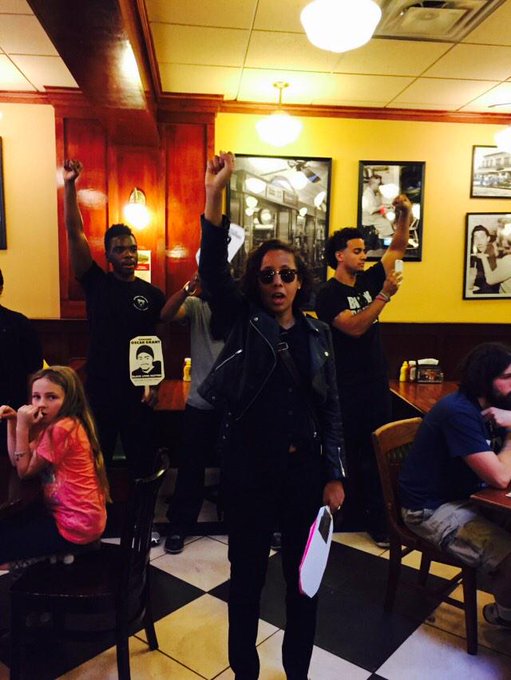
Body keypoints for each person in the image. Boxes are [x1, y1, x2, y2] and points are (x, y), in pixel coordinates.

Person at [198, 152, 346, 680]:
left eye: (287, 274)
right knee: (246, 583)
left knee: (304, 582)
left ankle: (297, 672)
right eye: (267, 276)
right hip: (249, 472)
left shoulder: (318, 334)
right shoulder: (242, 321)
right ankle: (245, 672)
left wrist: (335, 474)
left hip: (303, 471)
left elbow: (331, 409)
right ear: (256, 283)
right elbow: (212, 272)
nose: (278, 283)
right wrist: (215, 193)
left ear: (300, 281)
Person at [63, 159, 174, 479]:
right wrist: (69, 185)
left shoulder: (152, 294)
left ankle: (140, 512)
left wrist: (156, 384)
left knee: (142, 466)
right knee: (96, 465)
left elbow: (159, 341)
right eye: (120, 249)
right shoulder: (96, 283)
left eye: (132, 249)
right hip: (101, 391)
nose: (128, 254)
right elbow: (74, 233)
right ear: (108, 256)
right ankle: (100, 511)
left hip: (139, 393)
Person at [315, 194, 412, 547]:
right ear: (339, 256)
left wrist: (405, 214)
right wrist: (383, 296)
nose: (364, 256)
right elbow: (354, 328)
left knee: (375, 453)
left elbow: (398, 246)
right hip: (345, 386)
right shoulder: (328, 294)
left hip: (374, 383)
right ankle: (341, 515)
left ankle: (377, 520)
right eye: (356, 251)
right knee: (347, 452)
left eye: (364, 250)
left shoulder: (368, 281)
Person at [399, 342, 511, 629]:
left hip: (468, 494)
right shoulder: (458, 412)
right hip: (428, 509)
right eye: (507, 377)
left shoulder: (495, 404)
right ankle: (505, 615)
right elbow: (500, 478)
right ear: (485, 380)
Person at [0, 365, 109, 564]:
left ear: (70, 399)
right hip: (74, 517)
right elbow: (17, 460)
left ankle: (40, 565)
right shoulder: (54, 424)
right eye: (36, 397)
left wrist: (23, 426)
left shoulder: (62, 428)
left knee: (5, 540)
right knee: (11, 524)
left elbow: (24, 471)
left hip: (76, 526)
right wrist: (13, 422)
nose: (41, 404)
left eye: (51, 397)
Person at [163, 272, 225, 554]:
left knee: (239, 467)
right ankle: (180, 525)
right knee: (190, 468)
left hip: (235, 404)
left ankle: (240, 521)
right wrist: (188, 286)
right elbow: (166, 314)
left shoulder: (243, 307)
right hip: (200, 402)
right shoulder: (197, 306)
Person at [0, 268, 43, 457]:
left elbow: (35, 373)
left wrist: (30, 413)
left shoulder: (19, 324)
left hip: (12, 414)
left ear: (1, 288)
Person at [361, 174, 394, 252]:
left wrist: (386, 206)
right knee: (385, 223)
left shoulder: (372, 193)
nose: (380, 186)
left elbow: (376, 206)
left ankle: (385, 243)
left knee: (388, 220)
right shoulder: (367, 194)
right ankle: (385, 246)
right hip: (368, 218)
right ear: (373, 184)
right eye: (379, 184)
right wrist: (383, 206)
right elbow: (371, 210)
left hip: (372, 216)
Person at [469, 225, 499, 294]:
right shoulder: (475, 254)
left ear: (488, 238)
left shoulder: (492, 253)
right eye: (476, 238)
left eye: (482, 237)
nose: (479, 241)